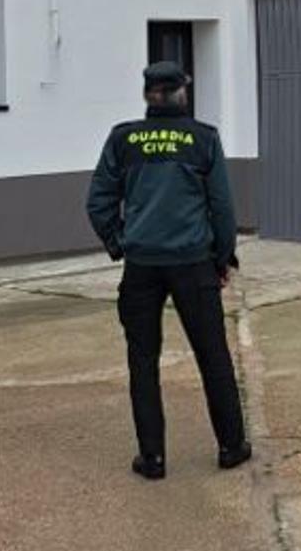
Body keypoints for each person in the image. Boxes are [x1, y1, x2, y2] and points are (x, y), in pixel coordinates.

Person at [86, 61, 251, 480]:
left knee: (143, 361)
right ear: (181, 93)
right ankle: (231, 447)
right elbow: (222, 208)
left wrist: (119, 242)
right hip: (193, 263)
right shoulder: (202, 139)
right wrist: (222, 257)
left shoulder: (124, 139)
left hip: (142, 265)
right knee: (213, 356)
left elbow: (99, 200)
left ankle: (153, 458)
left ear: (147, 95)